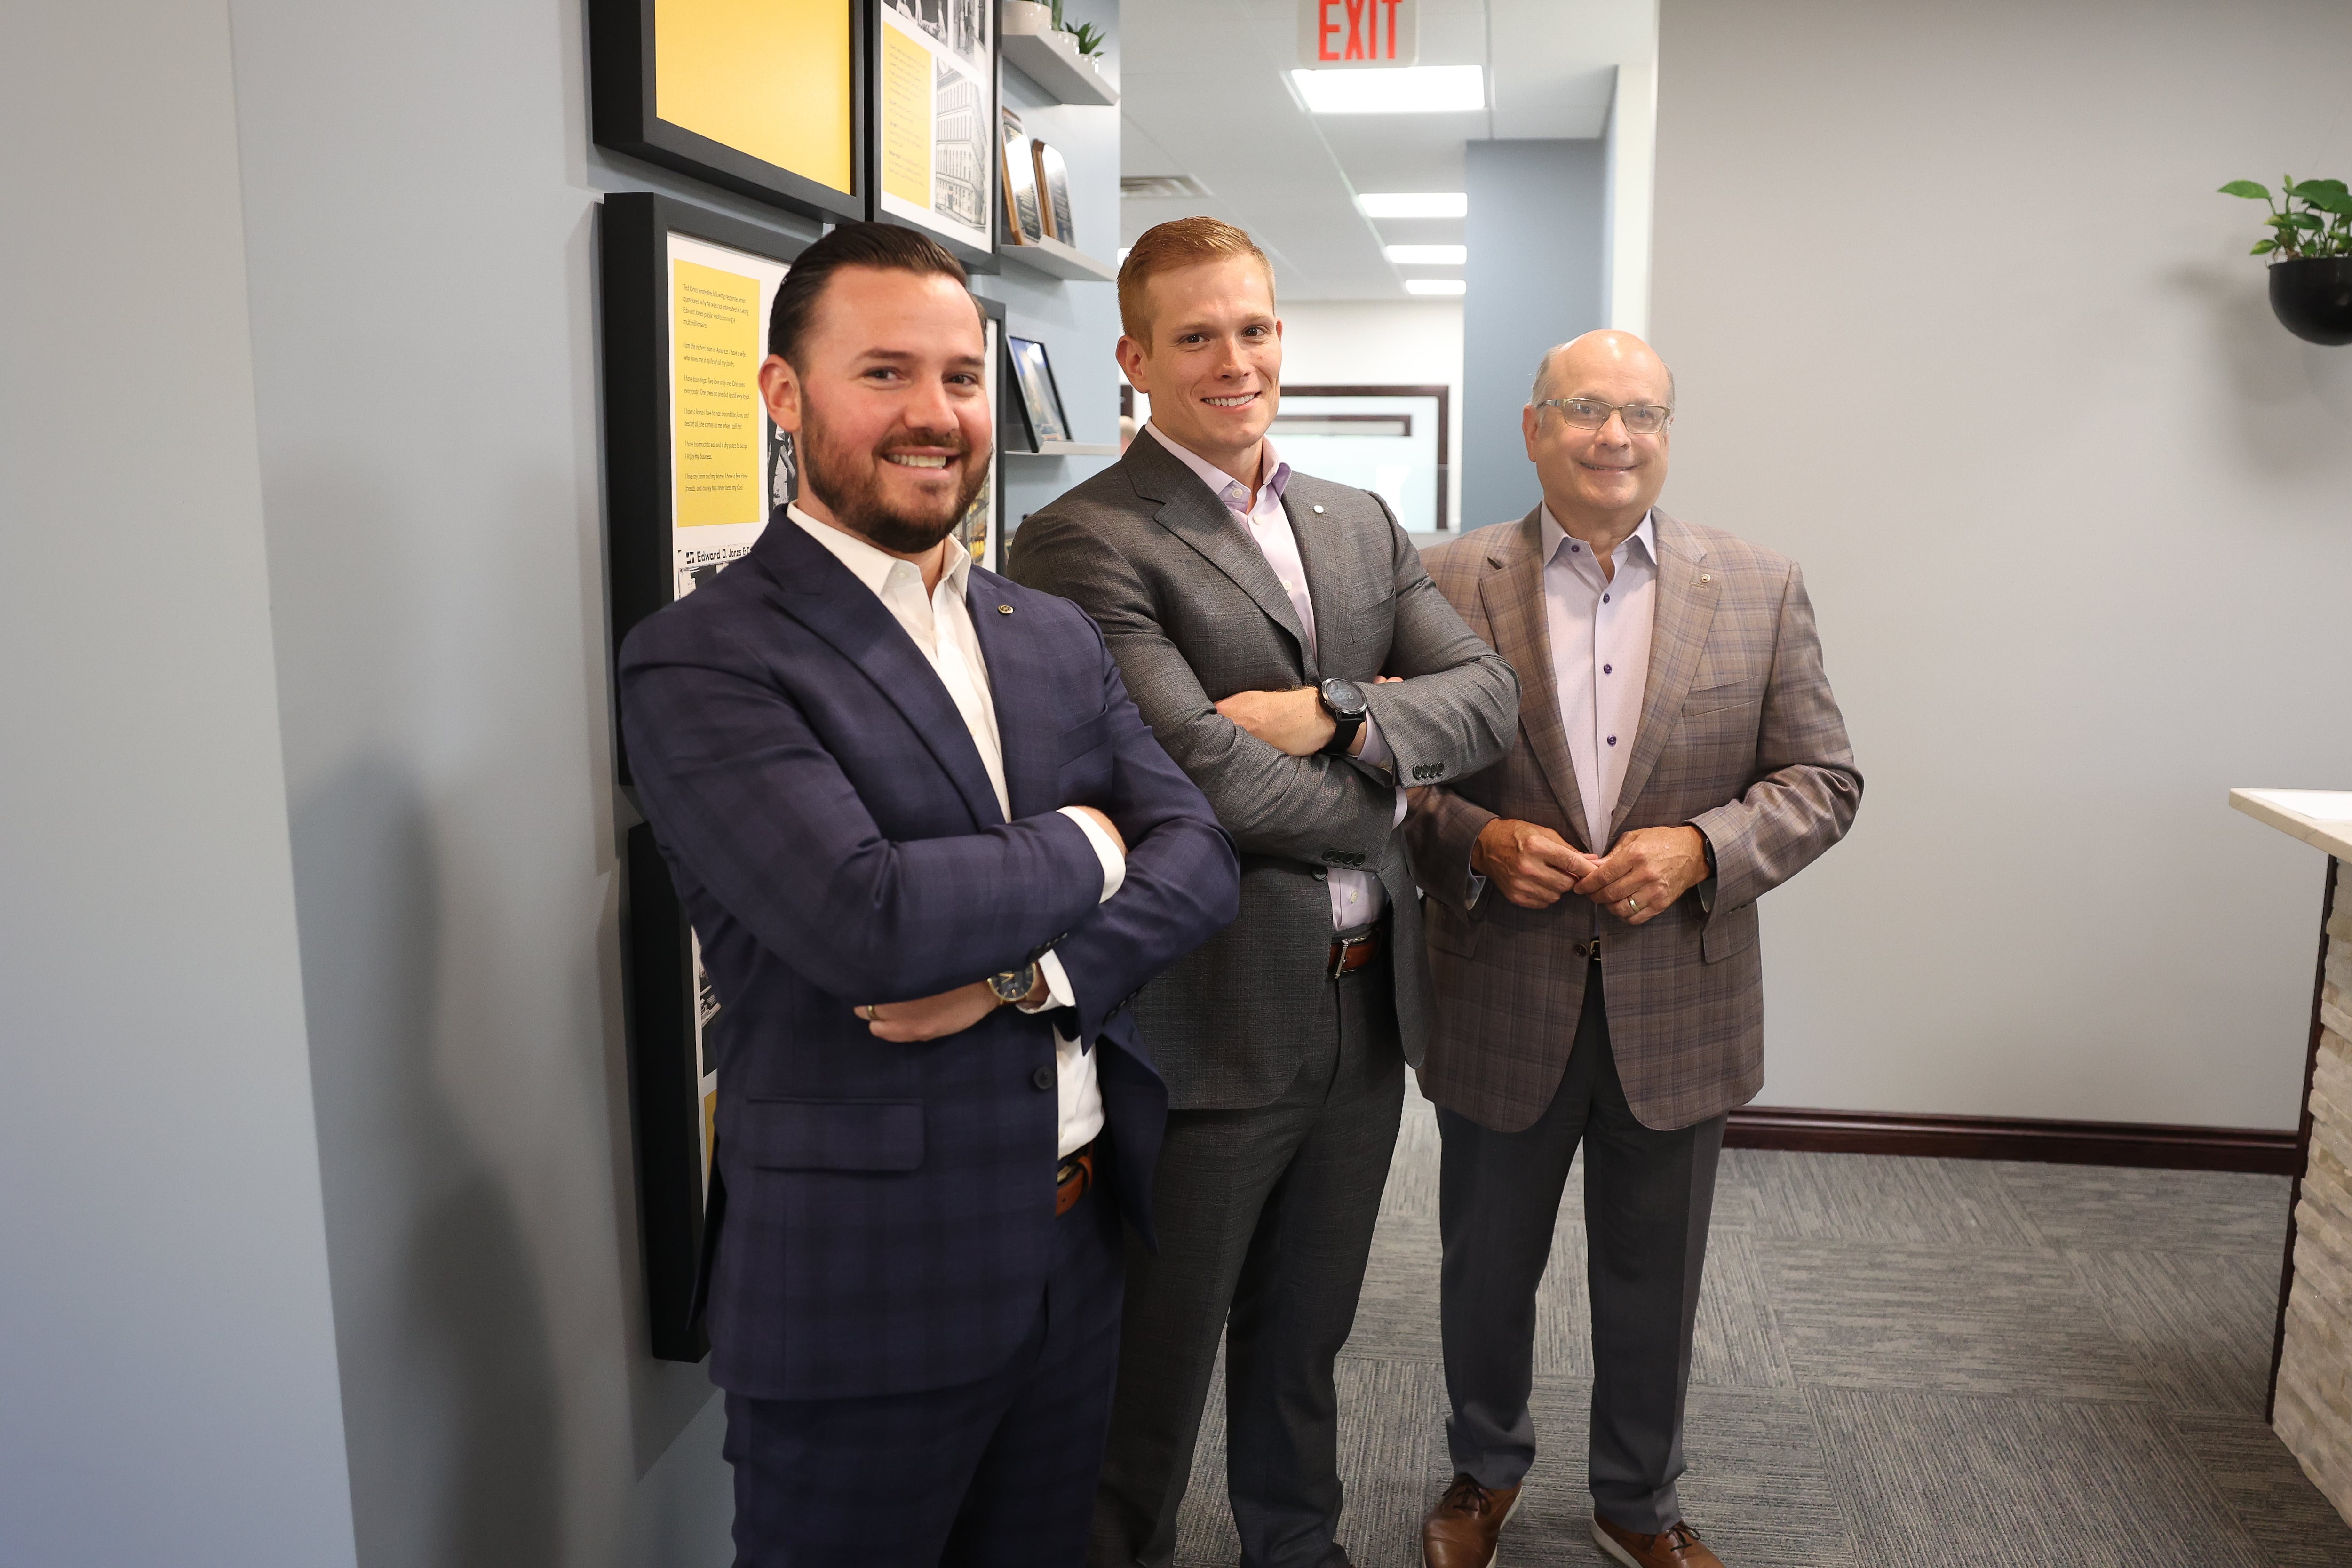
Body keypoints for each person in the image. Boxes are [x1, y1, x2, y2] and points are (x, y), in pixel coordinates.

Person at [617, 222, 1240, 1568]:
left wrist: (1036, 973)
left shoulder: (1045, 631)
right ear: (785, 395)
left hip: (1076, 1253)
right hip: (865, 1288)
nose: (936, 414)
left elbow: (1200, 852)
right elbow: (869, 920)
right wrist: (1088, 840)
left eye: (961, 377)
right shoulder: (706, 658)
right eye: (885, 373)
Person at [1009, 217, 1520, 1568]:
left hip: (1361, 1021)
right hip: (1206, 1028)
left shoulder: (1353, 522)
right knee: (1155, 1372)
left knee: (1307, 1342)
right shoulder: (1082, 541)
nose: (1235, 361)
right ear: (1134, 358)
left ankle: (1299, 1550)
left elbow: (1491, 699)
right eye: (1197, 337)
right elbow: (1199, 783)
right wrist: (1394, 791)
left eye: (1256, 328)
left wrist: (1332, 712)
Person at [1405, 331, 1861, 1568]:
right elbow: (1390, 781)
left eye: (1643, 415)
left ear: (1668, 432)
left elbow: (1824, 780)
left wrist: (1704, 851)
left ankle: (1636, 1502)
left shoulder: (1759, 585)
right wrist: (1479, 838)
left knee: (1655, 1284)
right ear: (1534, 426)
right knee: (1484, 1269)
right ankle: (1482, 1473)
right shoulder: (1440, 579)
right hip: (1499, 990)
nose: (1617, 437)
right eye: (1589, 410)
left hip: (1681, 1003)